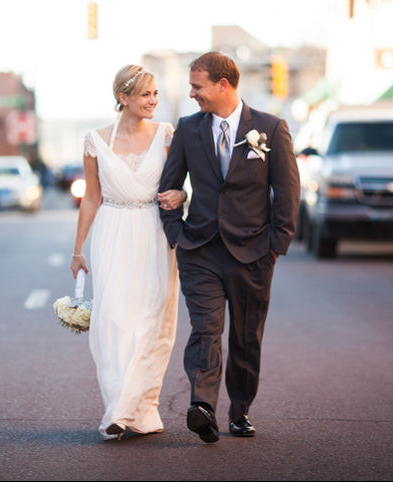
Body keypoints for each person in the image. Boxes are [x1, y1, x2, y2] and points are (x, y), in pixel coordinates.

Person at [158, 52, 300, 443]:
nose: (192, 94)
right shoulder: (188, 129)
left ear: (223, 85)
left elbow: (287, 192)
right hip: (200, 249)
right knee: (206, 329)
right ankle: (202, 406)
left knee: (245, 337)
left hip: (254, 253)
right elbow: (168, 188)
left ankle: (240, 410)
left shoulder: (270, 128)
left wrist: (275, 245)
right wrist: (177, 234)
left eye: (197, 86)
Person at [70, 65, 188, 441]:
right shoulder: (94, 140)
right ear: (123, 98)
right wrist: (78, 250)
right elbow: (91, 197)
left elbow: (182, 183)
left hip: (155, 232)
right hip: (112, 231)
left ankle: (131, 410)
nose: (154, 100)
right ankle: (123, 408)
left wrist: (182, 195)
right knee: (115, 322)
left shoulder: (166, 134)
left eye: (155, 94)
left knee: (153, 320)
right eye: (145, 95)